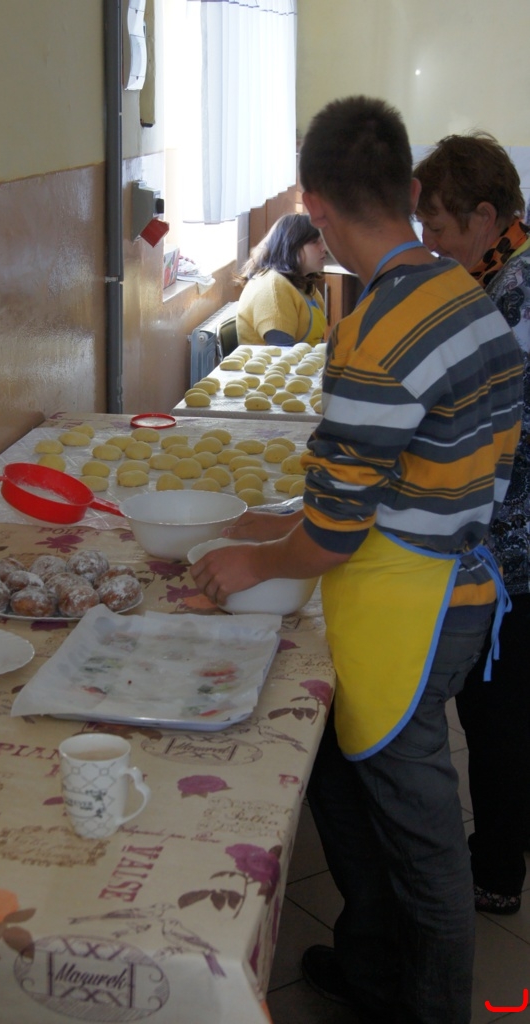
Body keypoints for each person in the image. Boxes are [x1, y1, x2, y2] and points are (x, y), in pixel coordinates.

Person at [190, 96, 524, 1024]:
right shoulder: (463, 293)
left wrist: (253, 563)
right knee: (338, 778)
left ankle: (428, 1004)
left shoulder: (373, 336)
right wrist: (269, 520)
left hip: (415, 611)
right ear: (411, 192)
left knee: (425, 850)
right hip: (462, 573)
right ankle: (371, 966)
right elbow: (409, 472)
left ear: (314, 207)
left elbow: (336, 535)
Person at [414, 132, 530, 916]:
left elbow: (504, 440)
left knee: (496, 713)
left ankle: (493, 872)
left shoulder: (516, 293)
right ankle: (507, 841)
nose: (428, 244)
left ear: (485, 218)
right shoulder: (501, 274)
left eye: (438, 227)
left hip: (515, 551)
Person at [235, 213, 328, 348]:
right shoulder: (274, 287)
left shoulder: (303, 284)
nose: (324, 248)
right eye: (315, 242)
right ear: (291, 245)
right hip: (278, 361)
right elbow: (282, 351)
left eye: (322, 241)